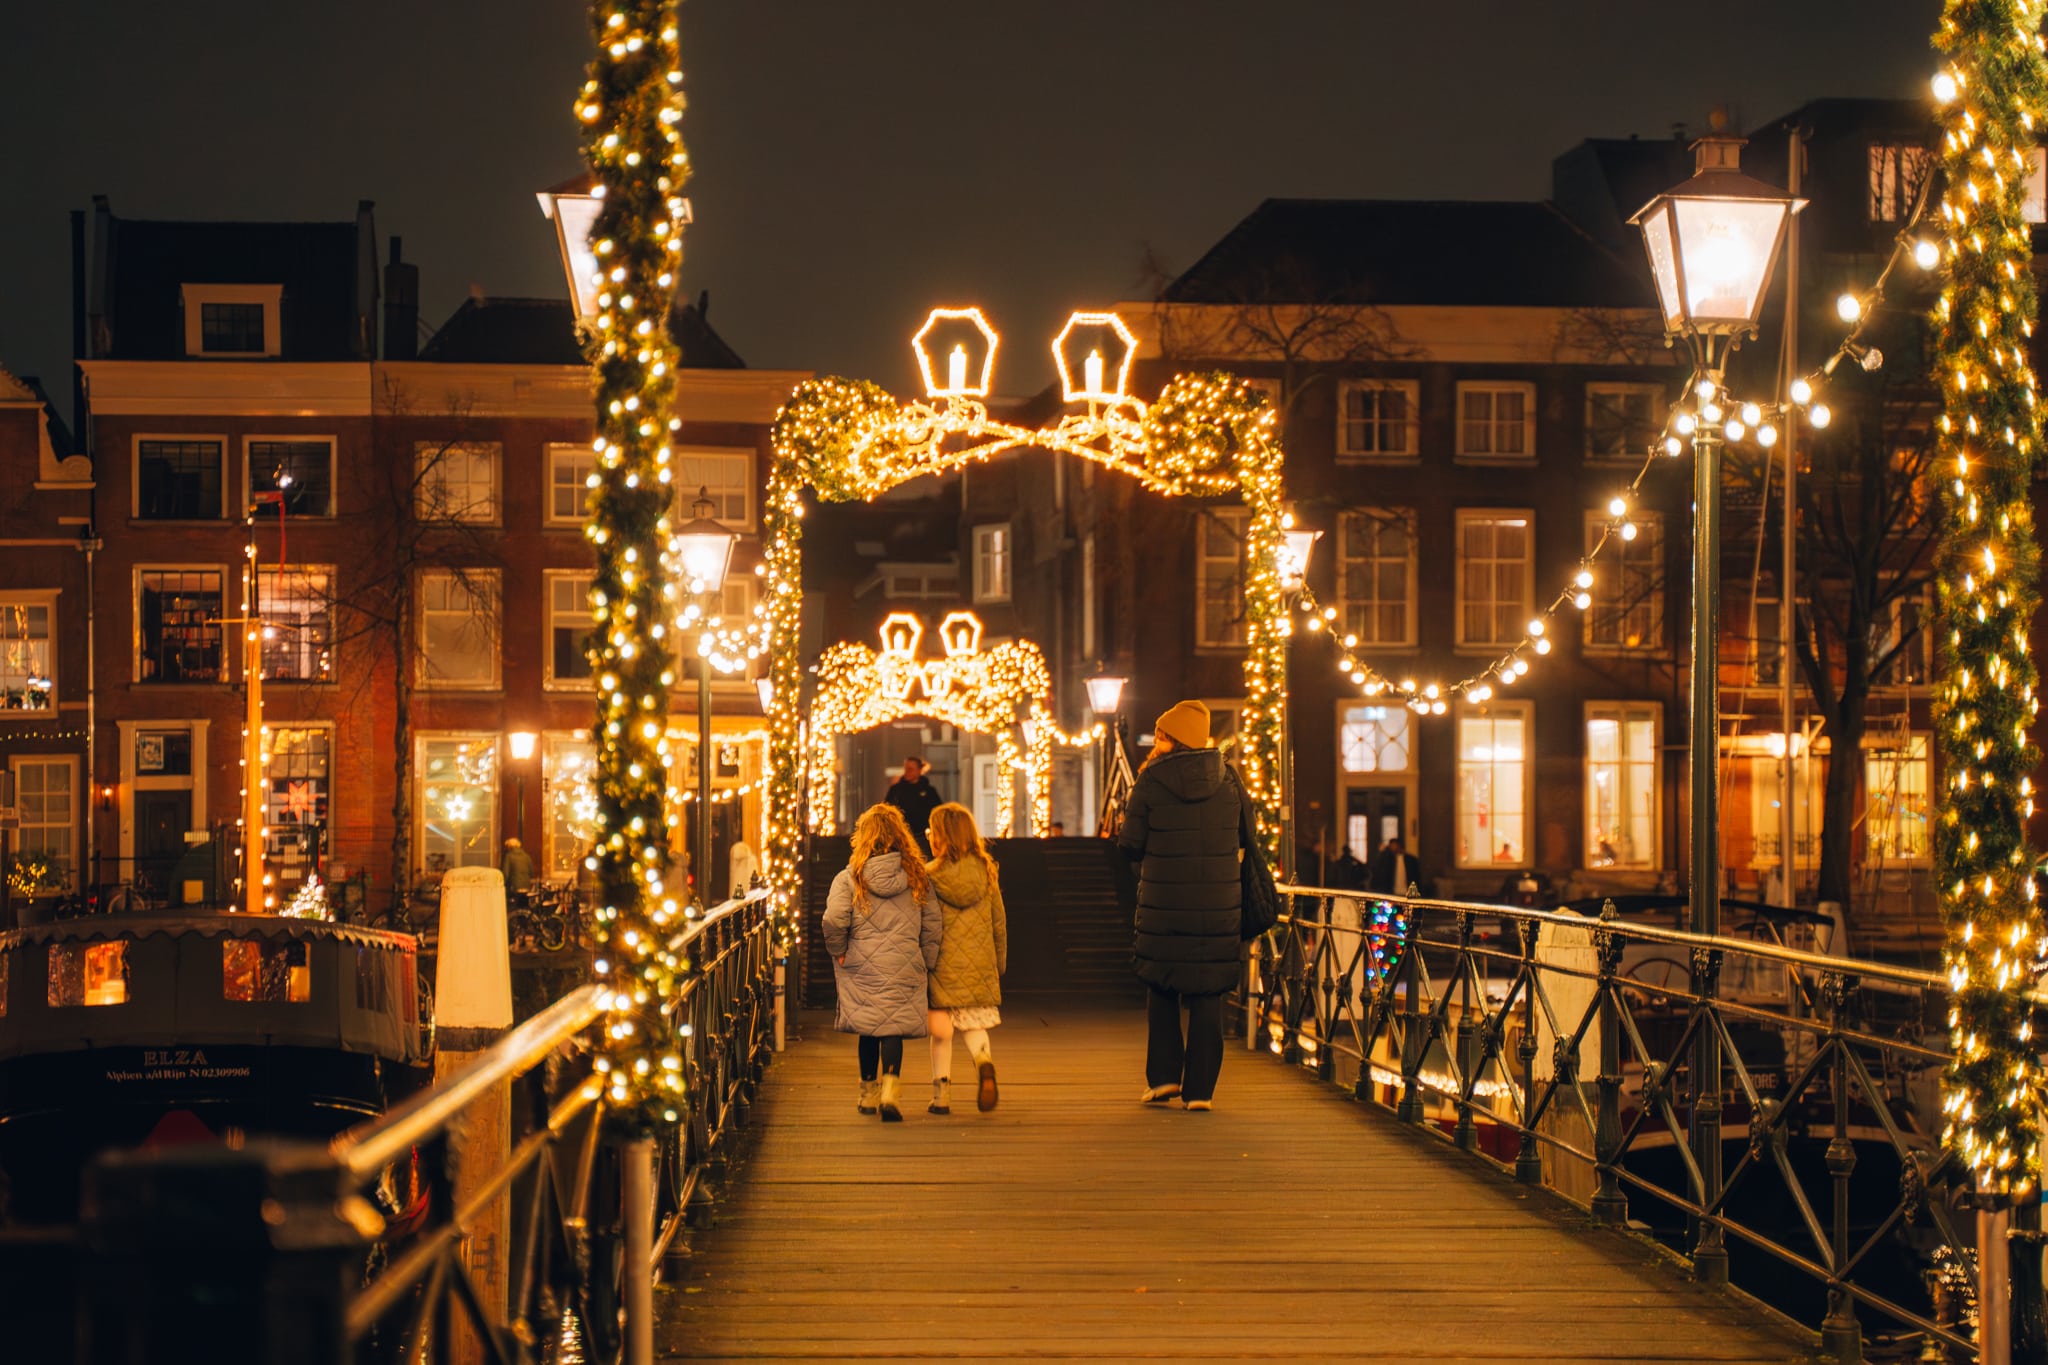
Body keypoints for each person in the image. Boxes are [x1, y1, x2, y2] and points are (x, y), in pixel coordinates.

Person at [1118, 699, 1242, 1112]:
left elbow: (1130, 844)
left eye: (1161, 734)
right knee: (1208, 994)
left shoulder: (1151, 779)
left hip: (1164, 902)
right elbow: (1246, 835)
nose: (1155, 740)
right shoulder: (1228, 779)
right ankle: (1201, 1091)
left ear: (1173, 738)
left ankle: (1164, 1078)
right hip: (1219, 904)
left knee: (1162, 986)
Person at [821, 804, 943, 1122]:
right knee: (892, 1028)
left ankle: (867, 1094)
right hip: (905, 962)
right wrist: (926, 959)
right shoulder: (917, 876)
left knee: (869, 1027)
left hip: (862, 963)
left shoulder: (849, 878)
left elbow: (833, 919)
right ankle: (890, 1090)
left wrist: (838, 950)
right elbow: (933, 922)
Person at [924, 802, 1008, 1114]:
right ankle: (984, 1062)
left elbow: (925, 924)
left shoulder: (930, 876)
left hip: (941, 965)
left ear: (939, 838)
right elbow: (999, 922)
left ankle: (941, 1098)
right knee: (973, 1024)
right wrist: (999, 962)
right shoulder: (986, 872)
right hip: (979, 963)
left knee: (941, 1033)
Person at [885, 756, 942, 855]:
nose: (907, 772)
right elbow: (887, 810)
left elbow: (937, 813)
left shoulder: (929, 791)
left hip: (924, 838)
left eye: (911, 769)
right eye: (906, 769)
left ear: (919, 770)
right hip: (901, 838)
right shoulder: (896, 791)